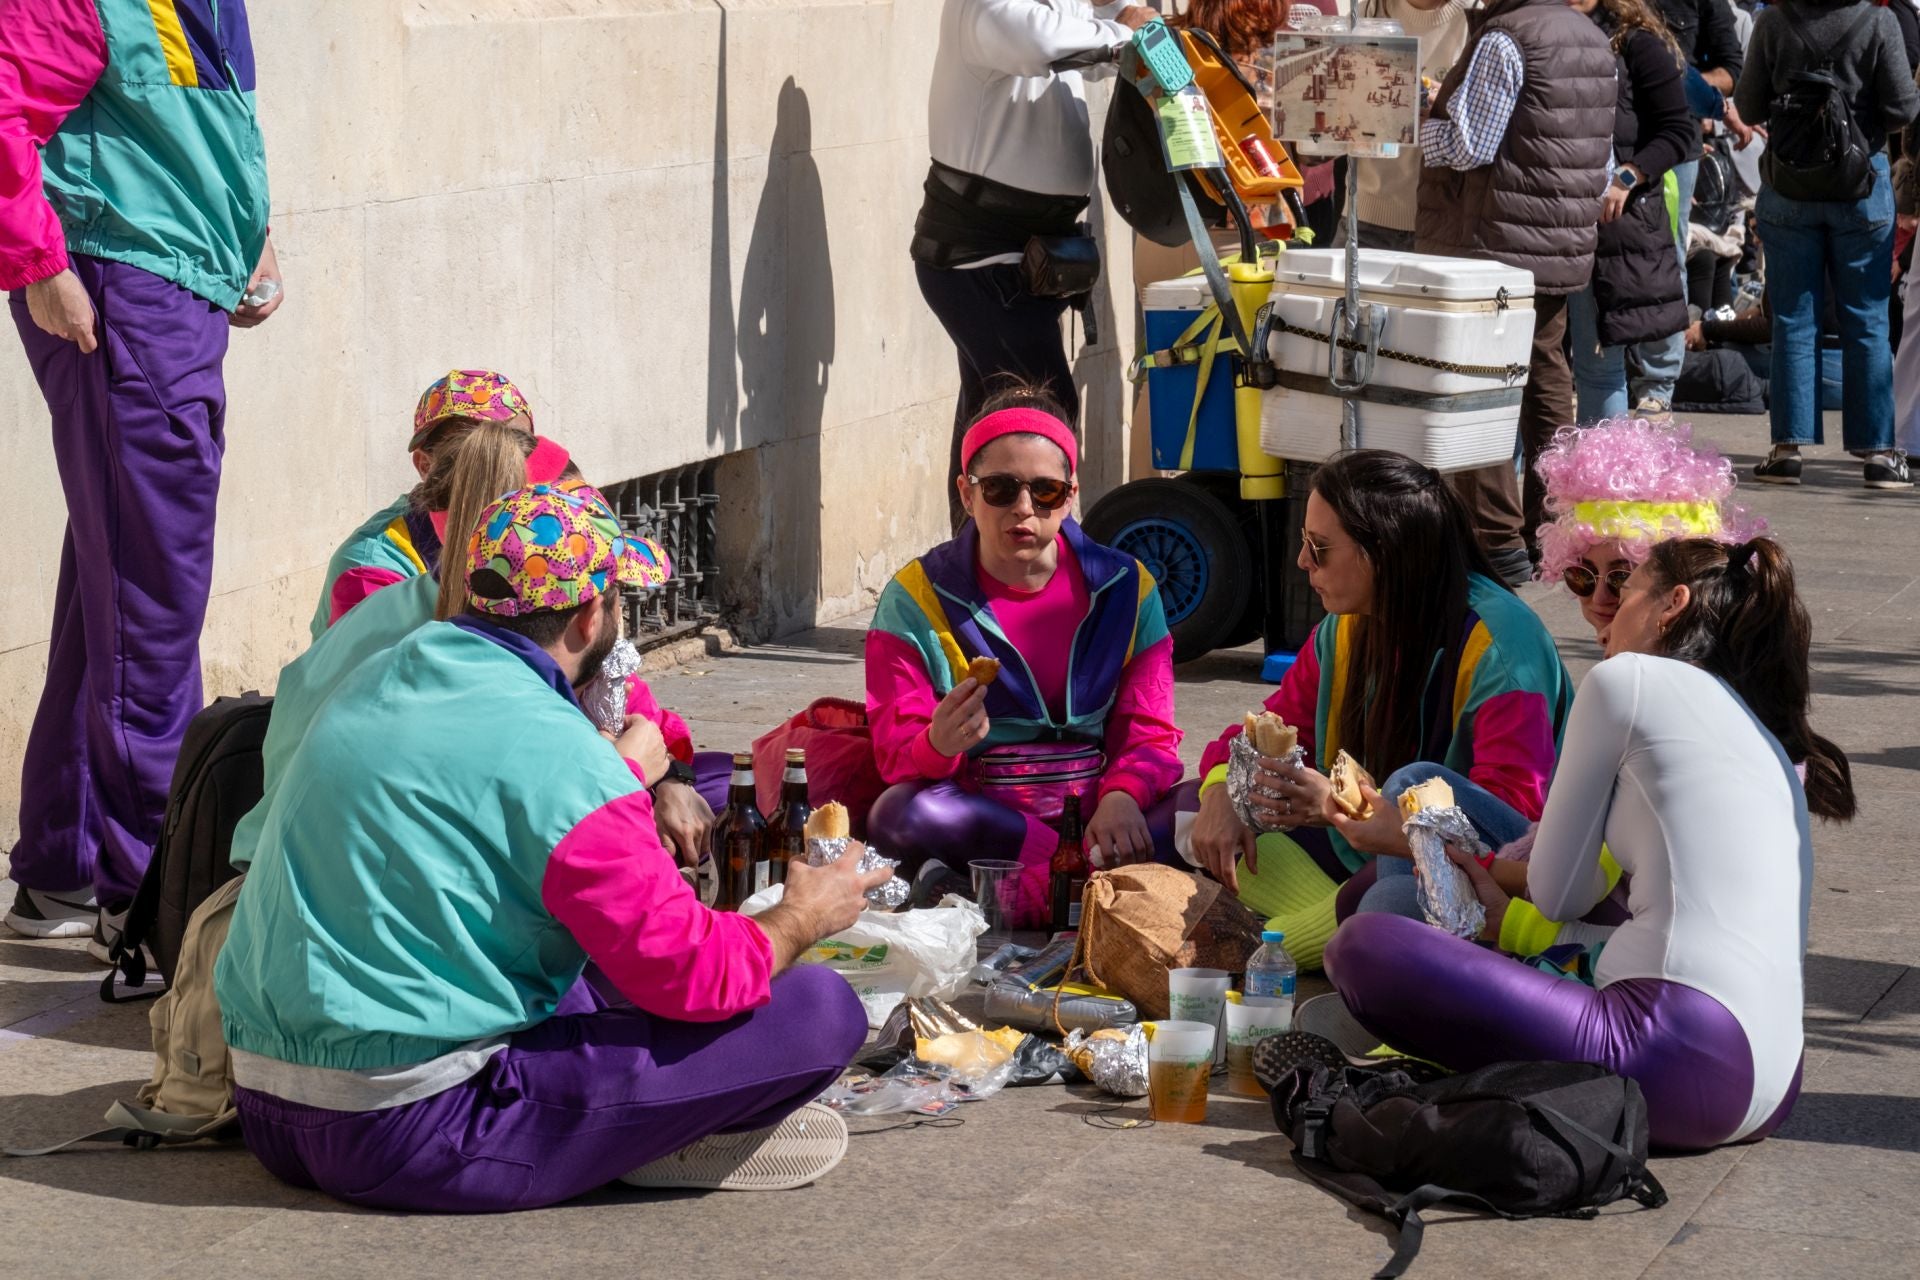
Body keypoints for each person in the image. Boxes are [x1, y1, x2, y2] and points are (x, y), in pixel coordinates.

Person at [216, 484, 881, 1211]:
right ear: (591, 614)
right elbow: (695, 973)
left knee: (590, 969)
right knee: (820, 1009)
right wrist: (802, 916)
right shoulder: (567, 759)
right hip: (411, 1132)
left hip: (268, 1108)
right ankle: (632, 1137)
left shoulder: (378, 674)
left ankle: (617, 1127)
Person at [1327, 536, 1849, 1149]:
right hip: (1770, 1086)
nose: (1606, 613)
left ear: (1671, 604)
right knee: (1377, 897)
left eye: (1625, 591)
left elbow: (1557, 893)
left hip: (1674, 1058)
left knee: (1364, 944)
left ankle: (1441, 1040)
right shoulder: (1750, 722)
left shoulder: (1626, 680)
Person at [3, 0, 280, 946]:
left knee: (115, 580)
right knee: (153, 600)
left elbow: (205, 111)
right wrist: (38, 261)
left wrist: (249, 232)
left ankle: (64, 867)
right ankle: (152, 903)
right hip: (121, 281)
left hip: (167, 275)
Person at [1353, 417, 1765, 929]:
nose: (1597, 601)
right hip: (1606, 911)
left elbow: (1569, 891)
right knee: (1412, 796)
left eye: (1621, 579)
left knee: (1383, 909)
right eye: (1581, 576)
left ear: (1673, 598)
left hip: (1606, 941)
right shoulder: (1718, 675)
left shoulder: (1633, 690)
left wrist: (1416, 842)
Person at [1183, 450, 1573, 969]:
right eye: (1304, 543)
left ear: (1383, 554)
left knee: (1406, 803)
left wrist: (1344, 809)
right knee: (1187, 813)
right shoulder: (1345, 624)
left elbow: (1509, 820)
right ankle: (1322, 926)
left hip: (1472, 871)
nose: (1302, 562)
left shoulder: (1500, 649)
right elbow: (1270, 727)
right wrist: (1221, 794)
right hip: (1367, 854)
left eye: (1318, 548)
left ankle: (1277, 944)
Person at [865, 390, 1183, 923]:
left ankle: (998, 897)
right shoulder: (915, 596)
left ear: (1071, 495)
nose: (1024, 508)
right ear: (966, 494)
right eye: (1000, 488)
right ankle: (1079, 890)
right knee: (901, 813)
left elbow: (1150, 731)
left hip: (1102, 810)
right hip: (988, 818)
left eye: (1046, 491)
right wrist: (936, 744)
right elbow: (896, 749)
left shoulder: (1127, 586)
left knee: (1207, 807)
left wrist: (1124, 794)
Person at [916, 0, 1157, 530]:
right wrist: (1121, 28)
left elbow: (1086, 35)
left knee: (991, 421)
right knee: (1040, 415)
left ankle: (973, 578)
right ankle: (1033, 571)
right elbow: (1035, 39)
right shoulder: (988, 9)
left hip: (1023, 258)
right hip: (981, 259)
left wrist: (1120, 16)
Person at [1414, 0, 1620, 583]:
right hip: (1555, 244)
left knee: (1477, 385)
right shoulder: (1591, 38)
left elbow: (1467, 146)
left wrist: (1414, 121)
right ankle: (1552, 525)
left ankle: (1497, 538)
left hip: (1492, 244)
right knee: (1545, 377)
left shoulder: (1507, 40)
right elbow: (1600, 163)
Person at [1738, 0, 1920, 490]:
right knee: (1867, 318)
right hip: (1861, 188)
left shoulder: (1773, 21)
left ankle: (1787, 450)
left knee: (1794, 318)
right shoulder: (1879, 21)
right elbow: (1904, 108)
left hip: (1790, 186)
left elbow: (1749, 106)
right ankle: (1879, 454)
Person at [311, 369, 548, 638]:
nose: (503, 472)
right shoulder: (370, 567)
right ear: (425, 465)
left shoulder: (540, 524)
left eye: (519, 450)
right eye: (477, 460)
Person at [1566, 0, 1698, 424]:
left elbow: (1677, 130)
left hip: (1612, 226)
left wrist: (1629, 174)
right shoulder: (1537, 33)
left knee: (1598, 365)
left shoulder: (1637, 43)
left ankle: (1602, 483)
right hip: (1547, 222)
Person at [1629, 0, 1747, 416]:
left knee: (1666, 257)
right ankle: (1607, 367)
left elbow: (1732, 71)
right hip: (1611, 134)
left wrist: (1672, 81)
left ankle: (1657, 382)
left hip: (1674, 143)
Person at [1338, 0, 1475, 251]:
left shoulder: (1476, 15)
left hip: (1447, 225)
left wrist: (1444, 101)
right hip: (1365, 218)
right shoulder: (1369, 11)